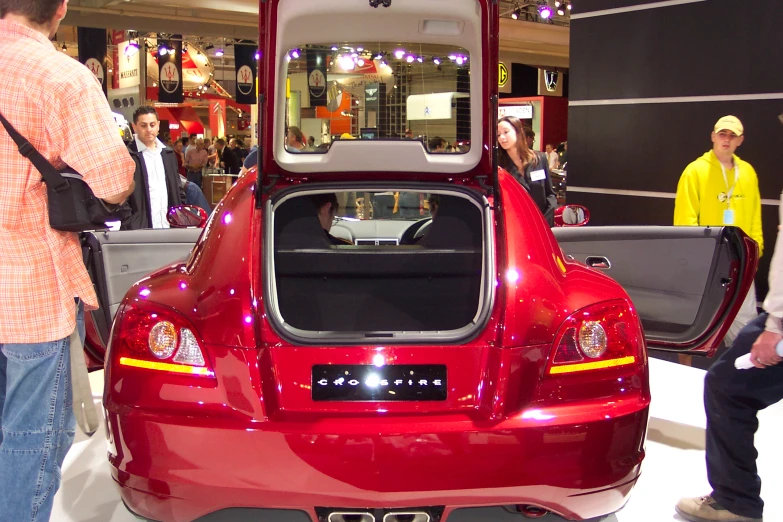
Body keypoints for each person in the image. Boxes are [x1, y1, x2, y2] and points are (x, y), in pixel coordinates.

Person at [0, 2, 136, 520]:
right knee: (32, 437)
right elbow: (113, 180)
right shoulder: (61, 77)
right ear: (59, 9)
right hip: (31, 286)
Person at [674, 191, 783, 522]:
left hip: (772, 312)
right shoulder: (698, 170)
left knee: (726, 387)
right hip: (727, 257)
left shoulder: (746, 173)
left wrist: (776, 323)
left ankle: (736, 501)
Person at [674, 115, 762, 348]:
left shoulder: (748, 173)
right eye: (723, 134)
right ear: (713, 136)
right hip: (708, 264)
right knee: (697, 325)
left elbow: (755, 218)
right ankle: (688, 373)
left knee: (745, 324)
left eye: (733, 136)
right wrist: (695, 260)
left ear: (740, 140)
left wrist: (756, 253)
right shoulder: (695, 171)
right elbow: (685, 220)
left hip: (741, 260)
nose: (727, 139)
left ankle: (743, 377)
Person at [125, 106, 184, 230]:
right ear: (134, 127)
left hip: (169, 226)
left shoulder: (168, 154)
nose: (149, 130)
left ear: (158, 125)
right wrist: (130, 221)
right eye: (143, 125)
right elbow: (122, 196)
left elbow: (178, 189)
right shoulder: (128, 155)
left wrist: (180, 217)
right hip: (140, 230)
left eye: (152, 125)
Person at [498, 116, 557, 225]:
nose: (502, 137)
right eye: (498, 134)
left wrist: (544, 221)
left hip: (543, 224)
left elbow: (550, 194)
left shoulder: (539, 158)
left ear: (518, 132)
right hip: (515, 225)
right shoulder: (499, 166)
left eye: (506, 132)